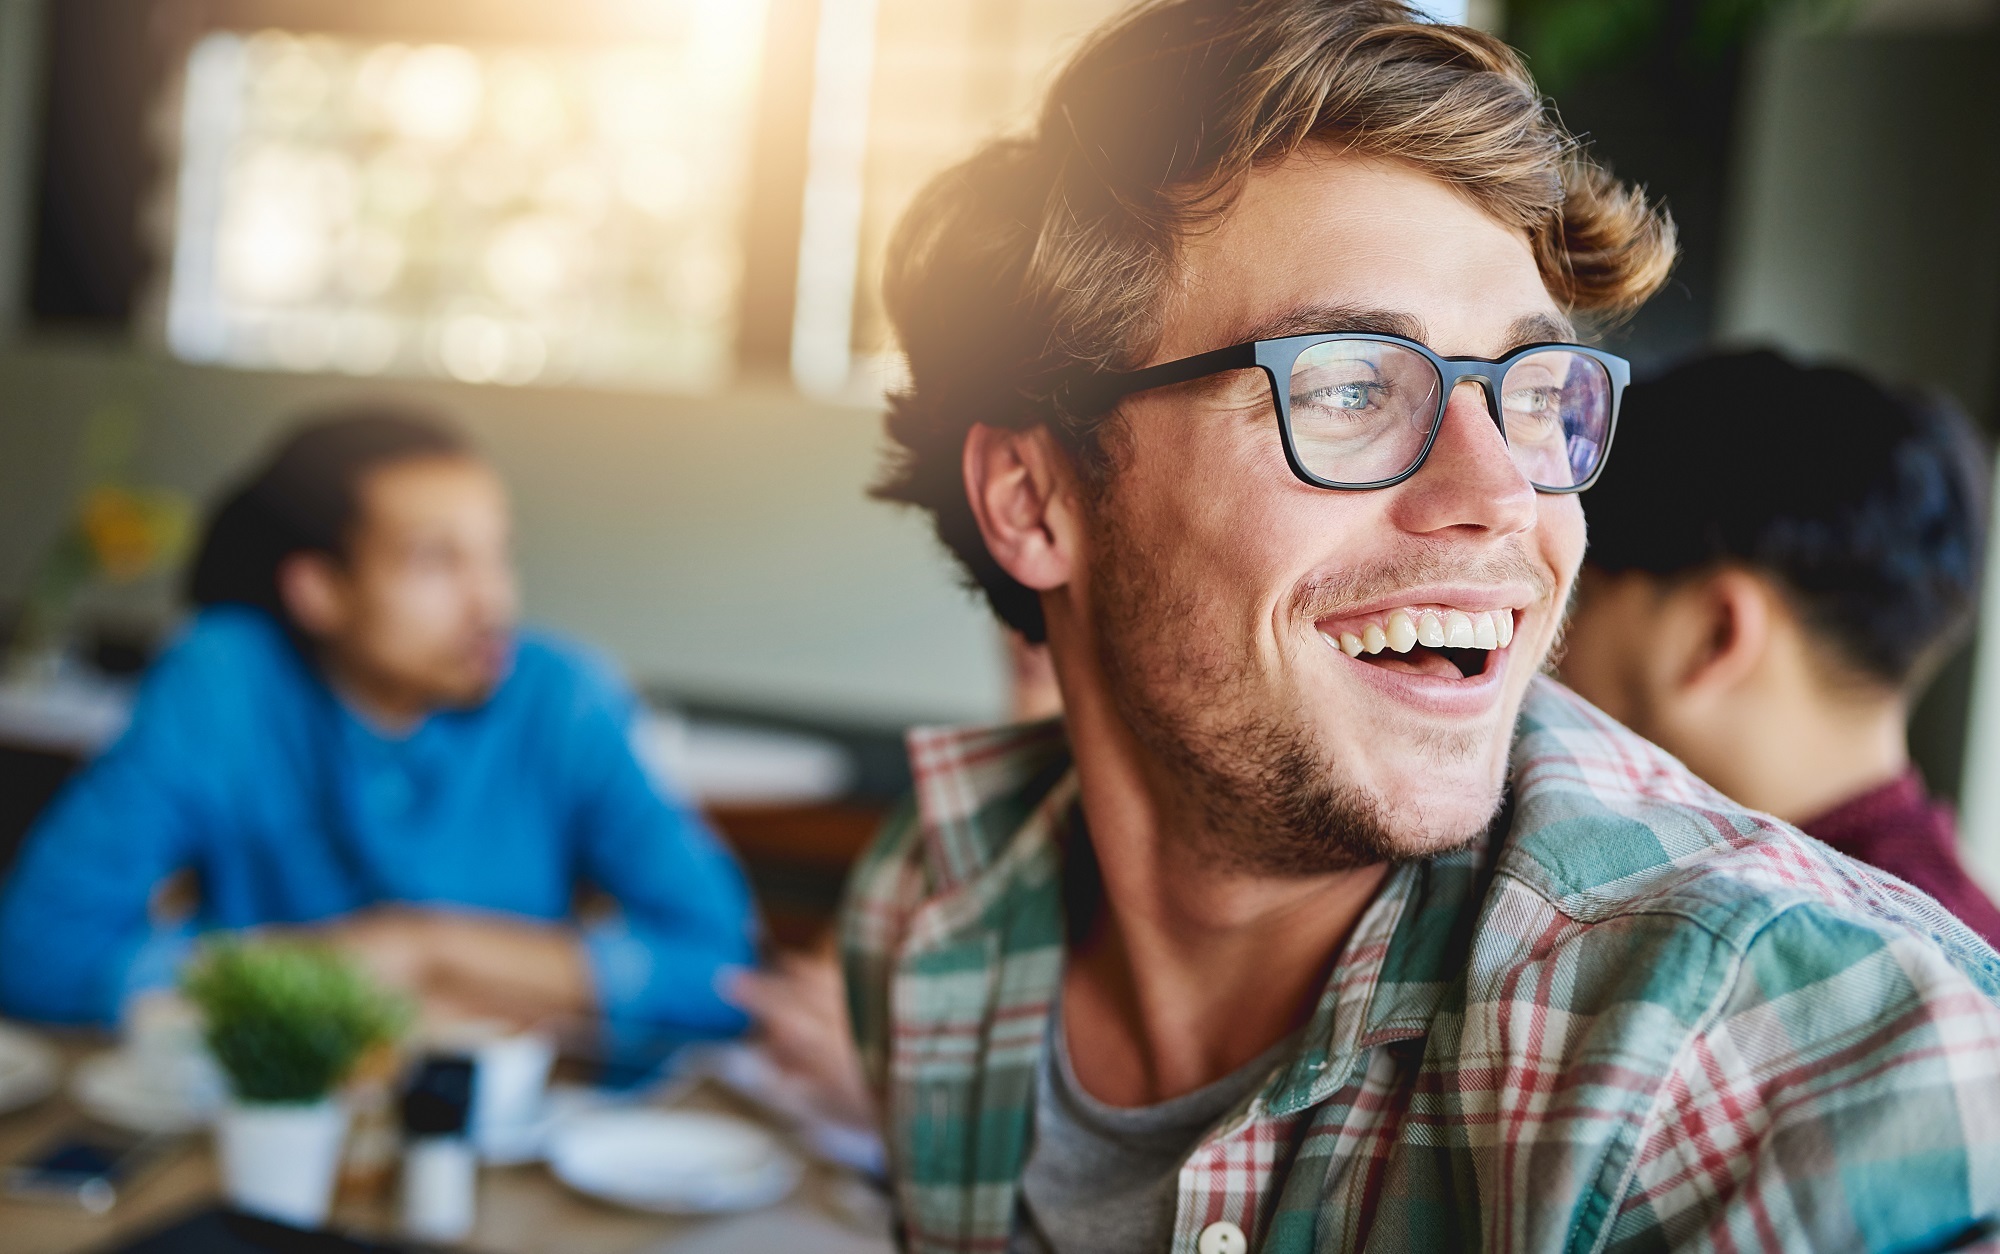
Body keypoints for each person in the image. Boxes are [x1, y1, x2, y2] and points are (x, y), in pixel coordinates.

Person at [768, 2, 2000, 1250]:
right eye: (1349, 385)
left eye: (1533, 392)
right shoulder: (926, 911)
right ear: (1034, 499)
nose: (1504, 500)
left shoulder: (1758, 1054)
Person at [0, 410, 757, 1040]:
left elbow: (725, 970)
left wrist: (425, 947)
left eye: (499, 556)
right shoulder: (222, 680)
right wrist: (339, 964)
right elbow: (34, 953)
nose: (491, 603)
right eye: (437, 562)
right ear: (318, 590)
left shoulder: (565, 695)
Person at [1560, 349, 2000, 947]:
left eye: (1581, 597)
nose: (1550, 643)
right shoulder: (1961, 931)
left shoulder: (1769, 948)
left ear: (1715, 636)